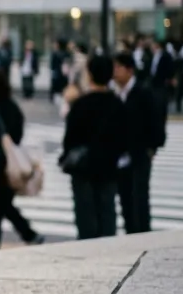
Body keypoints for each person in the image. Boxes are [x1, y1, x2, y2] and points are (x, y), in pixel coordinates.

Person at [60, 55, 128, 240]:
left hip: (83, 170)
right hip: (108, 168)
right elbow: (124, 139)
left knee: (85, 219)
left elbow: (69, 140)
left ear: (89, 75)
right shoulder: (117, 104)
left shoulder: (80, 105)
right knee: (107, 214)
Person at [0, 71, 44, 247]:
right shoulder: (11, 107)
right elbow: (18, 132)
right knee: (2, 206)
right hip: (8, 165)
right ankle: (28, 234)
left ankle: (22, 235)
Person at [112, 53, 165, 234]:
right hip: (120, 156)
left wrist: (152, 147)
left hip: (140, 154)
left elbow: (156, 122)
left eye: (118, 68)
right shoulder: (116, 94)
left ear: (129, 70)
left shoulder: (143, 92)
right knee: (125, 199)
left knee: (139, 199)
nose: (115, 72)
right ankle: (130, 235)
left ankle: (143, 236)